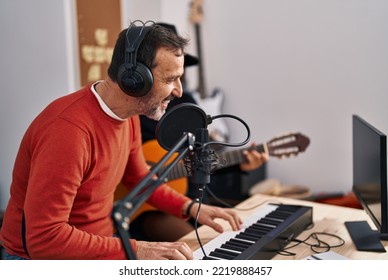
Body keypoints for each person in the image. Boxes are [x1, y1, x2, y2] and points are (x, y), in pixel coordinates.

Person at [0, 21, 244, 260]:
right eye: (170, 79)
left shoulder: (128, 116)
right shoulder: (69, 132)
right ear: (135, 79)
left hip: (97, 249)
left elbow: (140, 179)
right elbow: (45, 239)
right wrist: (139, 250)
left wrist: (191, 209)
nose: (179, 91)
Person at [125, 23, 269, 243]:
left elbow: (199, 157)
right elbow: (128, 168)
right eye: (169, 76)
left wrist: (240, 165)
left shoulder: (188, 103)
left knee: (237, 234)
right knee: (199, 244)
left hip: (187, 197)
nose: (178, 86)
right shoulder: (130, 111)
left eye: (179, 74)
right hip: (145, 208)